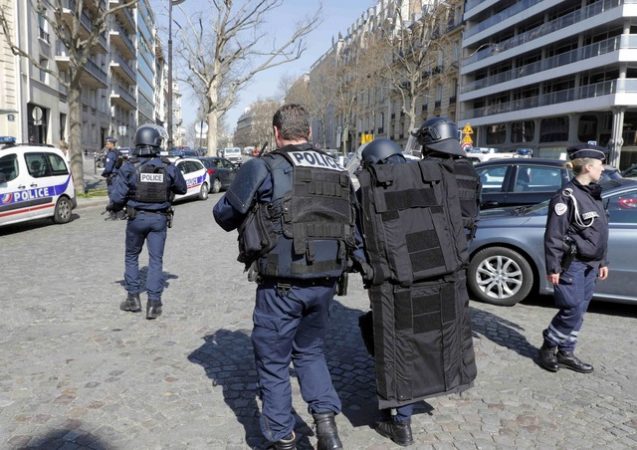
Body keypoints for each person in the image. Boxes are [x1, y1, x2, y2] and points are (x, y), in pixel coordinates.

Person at [213, 104, 353, 450]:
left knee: (274, 361)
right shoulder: (337, 168)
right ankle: (327, 429)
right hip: (325, 283)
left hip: (282, 286)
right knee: (311, 353)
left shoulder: (264, 166)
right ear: (310, 132)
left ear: (276, 133)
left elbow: (224, 215)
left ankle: (283, 438)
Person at [353, 135, 478, 447]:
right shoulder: (437, 177)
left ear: (373, 164)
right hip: (441, 277)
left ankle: (400, 422)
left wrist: (367, 270)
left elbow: (357, 240)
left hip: (395, 283)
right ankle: (434, 387)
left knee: (396, 344)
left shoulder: (368, 187)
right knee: (432, 334)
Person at [538, 144, 609, 373]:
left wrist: (603, 261)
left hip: (591, 264)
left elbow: (599, 231)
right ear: (588, 167)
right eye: (600, 165)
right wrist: (553, 267)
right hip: (573, 264)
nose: (603, 169)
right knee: (571, 309)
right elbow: (554, 235)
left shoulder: (593, 193)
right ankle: (549, 345)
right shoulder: (566, 196)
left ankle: (566, 351)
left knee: (580, 310)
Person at [107, 124, 187, 320]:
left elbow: (117, 198)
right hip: (159, 220)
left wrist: (114, 207)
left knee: (132, 256)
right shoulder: (167, 166)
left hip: (136, 219)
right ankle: (154, 304)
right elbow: (182, 188)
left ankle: (133, 299)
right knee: (155, 260)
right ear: (157, 143)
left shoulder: (128, 166)